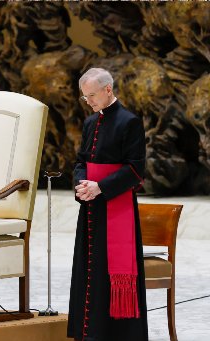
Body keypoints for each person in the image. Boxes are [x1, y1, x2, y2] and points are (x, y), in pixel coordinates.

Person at [67, 68, 149, 340]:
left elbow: (136, 169)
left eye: (91, 95)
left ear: (108, 90)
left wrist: (100, 187)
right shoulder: (91, 123)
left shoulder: (130, 122)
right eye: (85, 97)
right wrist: (82, 184)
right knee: (89, 271)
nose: (88, 101)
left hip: (115, 207)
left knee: (108, 273)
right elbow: (81, 161)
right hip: (90, 207)